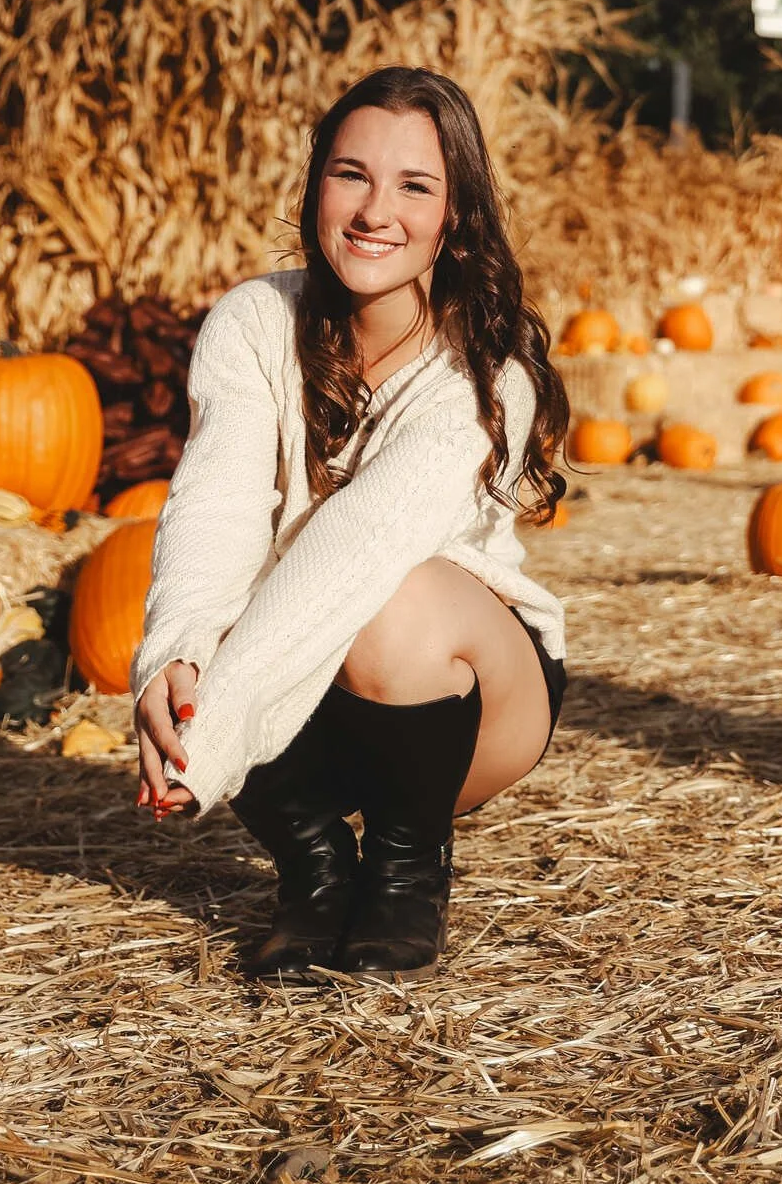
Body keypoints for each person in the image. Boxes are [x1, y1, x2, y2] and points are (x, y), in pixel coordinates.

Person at [132, 66, 569, 982]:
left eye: (415, 186)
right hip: (302, 687)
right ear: (316, 186)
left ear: (456, 218)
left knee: (394, 599)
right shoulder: (255, 323)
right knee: (197, 609)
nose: (376, 211)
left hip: (464, 699)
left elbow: (363, 541)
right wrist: (172, 660)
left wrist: (212, 737)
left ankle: (409, 870)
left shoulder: (490, 369)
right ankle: (316, 873)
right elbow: (213, 502)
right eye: (351, 174)